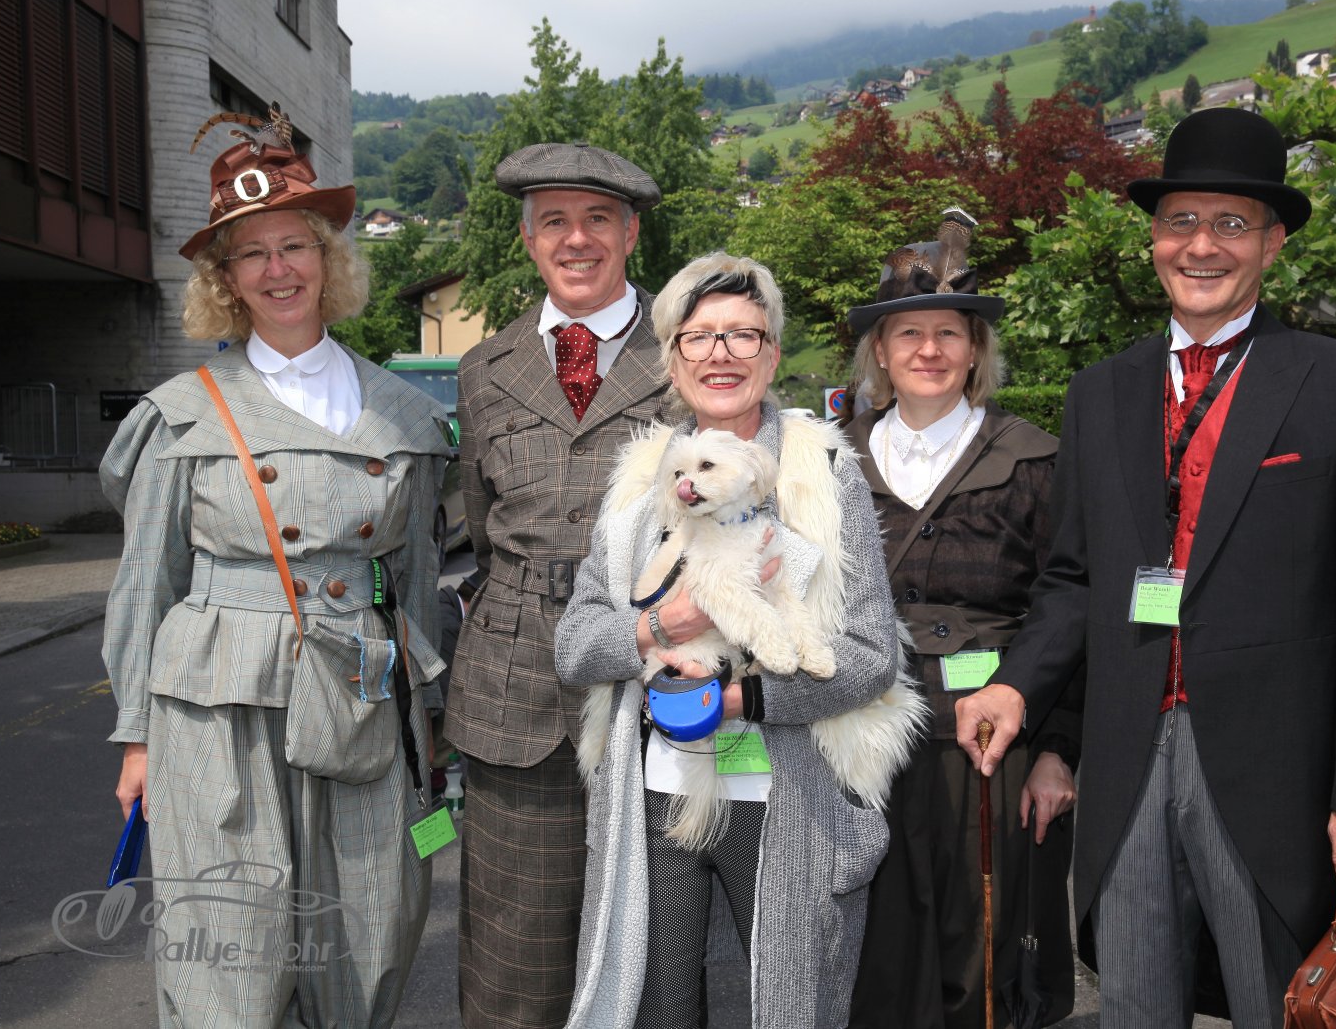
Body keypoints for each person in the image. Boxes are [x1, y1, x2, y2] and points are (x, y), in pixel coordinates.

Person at [955, 108, 1336, 1029]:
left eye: (1231, 223)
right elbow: (1073, 577)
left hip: (1276, 772)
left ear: (1273, 242)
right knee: (1134, 1005)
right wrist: (1016, 684)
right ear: (1154, 238)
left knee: (1276, 1002)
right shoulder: (1101, 390)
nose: (1201, 245)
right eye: (1180, 221)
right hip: (1130, 755)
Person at [101, 115, 452, 1026]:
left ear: (327, 261)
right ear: (225, 280)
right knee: (232, 947)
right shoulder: (182, 415)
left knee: (369, 932)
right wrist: (137, 739)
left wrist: (431, 718)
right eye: (250, 254)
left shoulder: (405, 415)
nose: (278, 269)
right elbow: (145, 583)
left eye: (295, 245)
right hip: (217, 712)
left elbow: (416, 579)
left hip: (365, 696)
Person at [554, 252, 928, 1029]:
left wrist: (740, 698)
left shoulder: (826, 474)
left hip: (786, 792)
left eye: (743, 335)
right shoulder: (640, 483)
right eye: (698, 337)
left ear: (773, 354)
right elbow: (577, 645)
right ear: (672, 361)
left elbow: (869, 655)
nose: (720, 354)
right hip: (657, 792)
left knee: (789, 1006)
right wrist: (666, 622)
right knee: (657, 1008)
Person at [445, 142, 671, 1029]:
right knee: (516, 956)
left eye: (598, 219)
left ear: (631, 233)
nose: (577, 239)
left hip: (654, 687)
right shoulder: (485, 367)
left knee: (652, 952)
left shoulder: (686, 352)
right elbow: (479, 528)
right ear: (529, 239)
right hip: (517, 697)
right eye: (555, 222)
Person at [842, 211, 1082, 1028]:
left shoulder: (1035, 458)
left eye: (949, 331)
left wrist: (1058, 752)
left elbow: (1067, 605)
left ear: (976, 349)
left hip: (994, 742)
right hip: (864, 736)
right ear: (880, 351)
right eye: (908, 333)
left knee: (984, 948)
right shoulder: (830, 462)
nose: (929, 349)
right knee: (876, 952)